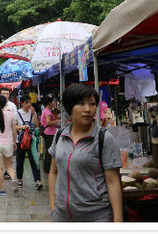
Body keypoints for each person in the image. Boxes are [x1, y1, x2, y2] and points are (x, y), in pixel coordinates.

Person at [48, 83, 123, 222]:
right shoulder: (60, 135)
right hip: (62, 217)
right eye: (81, 104)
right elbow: (53, 171)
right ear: (69, 107)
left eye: (92, 104)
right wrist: (53, 206)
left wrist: (118, 220)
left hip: (96, 217)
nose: (88, 109)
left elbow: (113, 181)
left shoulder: (103, 138)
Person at [15, 93, 42, 190]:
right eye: (27, 103)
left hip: (32, 140)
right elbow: (14, 127)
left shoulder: (32, 113)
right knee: (20, 160)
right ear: (22, 103)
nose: (29, 105)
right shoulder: (17, 113)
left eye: (30, 103)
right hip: (20, 141)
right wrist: (23, 127)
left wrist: (34, 113)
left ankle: (38, 181)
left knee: (34, 160)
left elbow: (37, 124)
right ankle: (20, 179)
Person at [40, 95, 59, 176]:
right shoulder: (47, 111)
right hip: (49, 133)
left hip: (49, 132)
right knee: (49, 150)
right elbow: (48, 122)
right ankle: (48, 168)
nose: (53, 104)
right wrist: (58, 120)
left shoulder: (46, 110)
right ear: (49, 103)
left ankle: (47, 168)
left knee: (48, 150)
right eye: (52, 102)